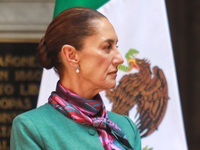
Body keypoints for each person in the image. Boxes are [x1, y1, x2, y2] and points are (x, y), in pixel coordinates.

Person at [10, 7, 141, 150]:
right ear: (71, 55)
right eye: (107, 47)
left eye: (117, 46)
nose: (120, 59)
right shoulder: (32, 127)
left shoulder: (127, 127)